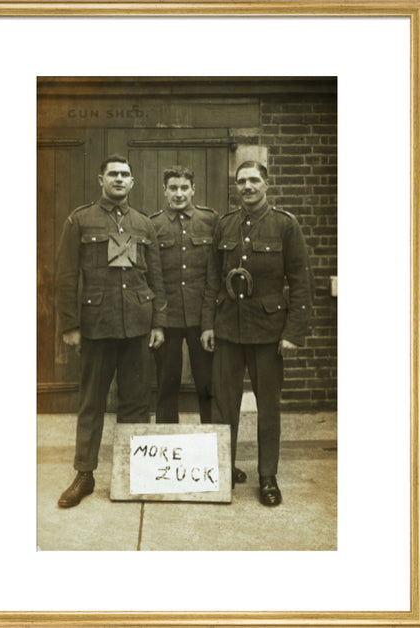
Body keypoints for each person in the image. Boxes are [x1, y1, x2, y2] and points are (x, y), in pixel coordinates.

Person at [55, 155, 166, 508]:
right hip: (96, 326)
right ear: (101, 178)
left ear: (133, 182)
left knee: (136, 402)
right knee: (91, 402)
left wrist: (158, 323)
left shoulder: (144, 224)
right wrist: (71, 325)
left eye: (126, 175)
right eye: (113, 174)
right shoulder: (80, 219)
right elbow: (66, 276)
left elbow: (156, 278)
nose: (120, 179)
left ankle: (135, 472)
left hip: (136, 325)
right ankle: (85, 474)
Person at [201, 161, 313, 505]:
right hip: (227, 332)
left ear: (266, 184)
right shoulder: (225, 225)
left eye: (253, 180)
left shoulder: (285, 225)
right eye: (242, 181)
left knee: (268, 407)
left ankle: (267, 477)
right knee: (224, 405)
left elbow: (300, 281)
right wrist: (207, 324)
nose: (247, 186)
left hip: (268, 332)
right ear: (236, 187)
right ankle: (222, 471)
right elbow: (212, 279)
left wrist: (293, 331)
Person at [151, 165, 246, 485]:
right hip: (167, 321)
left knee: (210, 389)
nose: (178, 193)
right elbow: (155, 278)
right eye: (173, 187)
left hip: (202, 321)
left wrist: (209, 325)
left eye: (184, 187)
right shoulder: (154, 225)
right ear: (164, 191)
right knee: (166, 388)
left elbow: (215, 276)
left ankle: (216, 461)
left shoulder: (211, 221)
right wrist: (159, 323)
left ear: (194, 190)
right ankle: (166, 468)